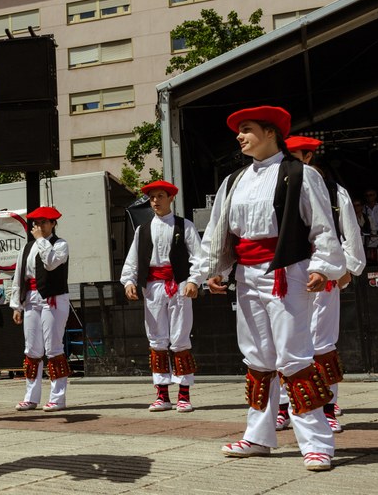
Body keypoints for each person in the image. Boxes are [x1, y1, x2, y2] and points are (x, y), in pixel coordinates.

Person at [201, 106, 346, 472]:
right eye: (239, 130)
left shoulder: (300, 174)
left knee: (294, 357)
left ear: (270, 133)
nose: (239, 136)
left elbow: (322, 226)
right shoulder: (233, 180)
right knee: (257, 357)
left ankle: (317, 443)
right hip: (246, 274)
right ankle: (258, 436)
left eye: (246, 129)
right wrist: (214, 269)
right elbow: (219, 229)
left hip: (286, 270)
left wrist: (322, 266)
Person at [274, 136, 366, 434]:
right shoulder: (276, 186)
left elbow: (349, 231)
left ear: (308, 156)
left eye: (293, 154)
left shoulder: (333, 190)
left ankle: (327, 408)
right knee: (285, 340)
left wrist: (348, 267)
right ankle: (285, 407)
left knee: (323, 343)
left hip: (323, 271)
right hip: (289, 272)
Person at [120, 180, 204, 413]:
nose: (155, 201)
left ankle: (184, 395)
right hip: (153, 287)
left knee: (180, 338)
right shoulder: (143, 229)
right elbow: (133, 260)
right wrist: (129, 281)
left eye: (160, 196)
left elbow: (199, 257)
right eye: (152, 197)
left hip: (179, 284)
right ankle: (162, 395)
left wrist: (194, 280)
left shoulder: (184, 225)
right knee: (157, 339)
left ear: (171, 198)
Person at [10, 206, 71, 412]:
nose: (39, 226)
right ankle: (30, 396)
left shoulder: (60, 244)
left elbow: (51, 263)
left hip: (53, 297)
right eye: (36, 223)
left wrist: (41, 240)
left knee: (53, 348)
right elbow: (19, 276)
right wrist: (17, 305)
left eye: (44, 222)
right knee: (32, 349)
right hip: (31, 298)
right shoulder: (27, 248)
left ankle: (58, 397)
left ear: (53, 224)